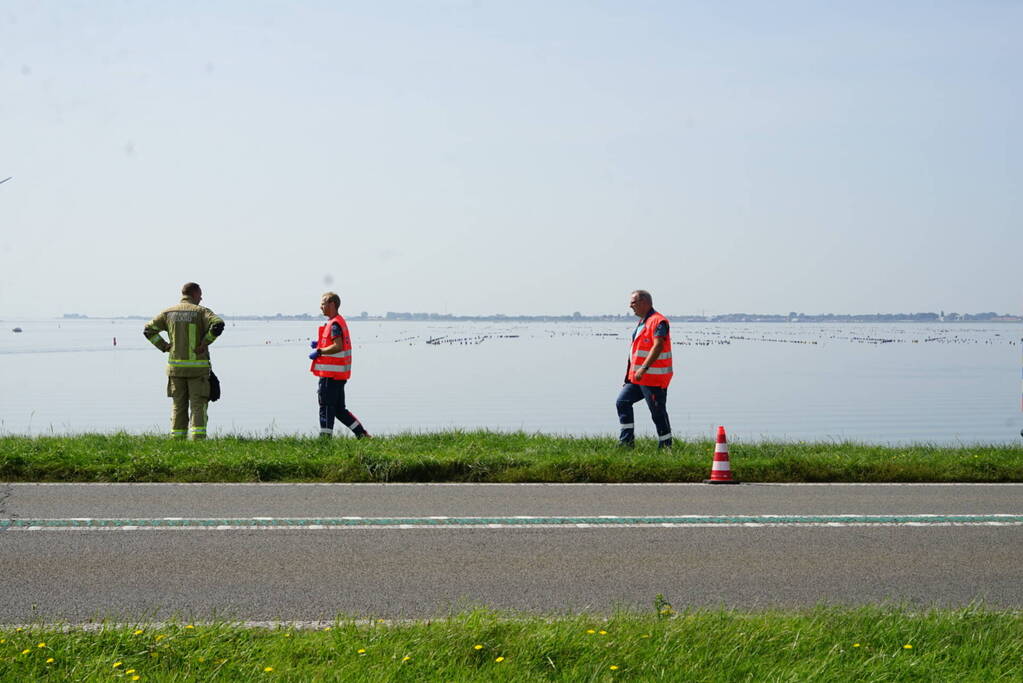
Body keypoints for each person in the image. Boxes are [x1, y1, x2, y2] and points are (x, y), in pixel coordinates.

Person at [144, 282, 224, 439]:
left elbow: (148, 330)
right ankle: (197, 441)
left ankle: (177, 440)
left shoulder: (168, 313)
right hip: (198, 370)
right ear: (194, 294)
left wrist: (164, 346)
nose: (201, 298)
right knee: (198, 406)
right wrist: (205, 342)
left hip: (176, 370)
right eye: (200, 294)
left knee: (178, 406)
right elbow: (218, 324)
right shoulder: (201, 312)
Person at [616, 289, 673, 448]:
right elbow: (634, 353)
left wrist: (644, 368)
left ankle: (666, 447)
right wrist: (628, 377)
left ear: (644, 302)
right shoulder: (643, 322)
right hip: (637, 378)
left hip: (653, 378)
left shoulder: (658, 321)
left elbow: (658, 345)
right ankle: (626, 442)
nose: (630, 305)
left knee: (657, 413)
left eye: (633, 302)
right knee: (622, 402)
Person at [309, 291, 370, 439]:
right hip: (339, 375)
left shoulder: (335, 323)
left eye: (323, 303)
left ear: (332, 304)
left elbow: (338, 346)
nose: (320, 307)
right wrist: (320, 343)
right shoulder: (336, 321)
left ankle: (325, 440)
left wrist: (320, 351)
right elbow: (334, 342)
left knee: (326, 407)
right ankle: (362, 435)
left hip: (331, 376)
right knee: (339, 410)